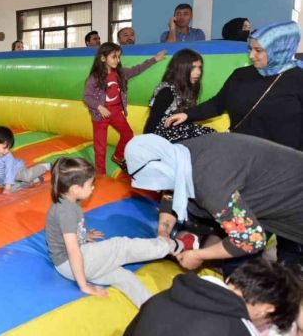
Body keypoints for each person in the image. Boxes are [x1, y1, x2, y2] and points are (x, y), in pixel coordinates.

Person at [125, 133, 303, 278]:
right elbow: (171, 190)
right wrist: (163, 233)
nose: (157, 188)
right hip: (281, 188)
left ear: (160, 168)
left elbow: (250, 239)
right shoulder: (179, 154)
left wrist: (198, 255)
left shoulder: (209, 184)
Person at [46, 157, 192, 307]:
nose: (93, 188)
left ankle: (151, 308)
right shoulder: (66, 212)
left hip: (71, 266)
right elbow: (73, 252)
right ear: (75, 189)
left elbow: (66, 233)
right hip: (73, 264)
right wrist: (84, 285)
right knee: (120, 246)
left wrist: (83, 235)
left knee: (124, 277)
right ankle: (171, 245)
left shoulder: (67, 201)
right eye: (90, 184)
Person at [166, 21, 303, 150]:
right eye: (250, 49)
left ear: (279, 50)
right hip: (241, 151)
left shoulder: (297, 79)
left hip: (281, 158)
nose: (251, 55)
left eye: (258, 50)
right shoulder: (241, 75)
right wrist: (187, 115)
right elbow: (217, 104)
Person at [124, 259, 303, 336]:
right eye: (269, 320)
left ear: (229, 280)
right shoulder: (234, 330)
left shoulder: (164, 296)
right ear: (267, 309)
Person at [83, 42, 166, 175]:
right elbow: (87, 96)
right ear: (103, 58)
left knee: (128, 134)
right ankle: (101, 174)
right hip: (100, 115)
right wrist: (99, 106)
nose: (117, 60)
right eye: (114, 57)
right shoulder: (95, 77)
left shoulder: (120, 73)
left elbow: (137, 69)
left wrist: (155, 59)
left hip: (116, 112)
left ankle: (118, 156)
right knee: (100, 146)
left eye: (119, 57)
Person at [144, 48, 215, 142]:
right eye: (193, 68)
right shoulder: (167, 92)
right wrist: (146, 143)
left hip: (183, 129)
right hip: (167, 135)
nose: (198, 72)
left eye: (200, 68)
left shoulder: (190, 86)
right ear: (181, 68)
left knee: (213, 135)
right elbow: (153, 120)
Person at [0, 126, 50, 194]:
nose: (7, 151)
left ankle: (44, 166)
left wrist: (7, 187)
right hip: (5, 180)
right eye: (4, 148)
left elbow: (9, 170)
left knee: (26, 176)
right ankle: (33, 181)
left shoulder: (8, 156)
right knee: (12, 190)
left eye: (9, 148)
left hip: (16, 169)